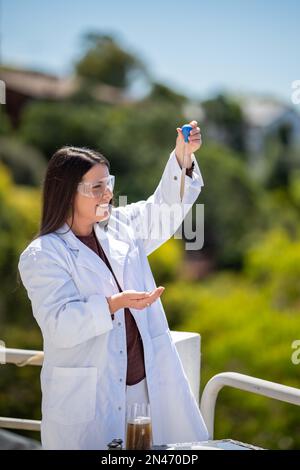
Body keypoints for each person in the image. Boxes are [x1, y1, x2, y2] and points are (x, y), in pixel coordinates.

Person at [18, 120, 209, 450]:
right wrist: (112, 305)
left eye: (109, 184)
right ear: (66, 191)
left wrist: (183, 156)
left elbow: (163, 210)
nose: (108, 193)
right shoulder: (42, 255)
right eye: (97, 187)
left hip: (145, 390)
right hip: (91, 401)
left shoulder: (120, 227)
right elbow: (59, 325)